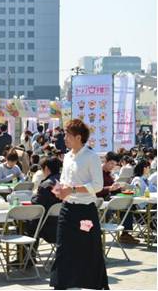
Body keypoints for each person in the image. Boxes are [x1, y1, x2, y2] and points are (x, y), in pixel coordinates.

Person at [50, 119, 108, 290]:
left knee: (87, 249)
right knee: (63, 249)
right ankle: (62, 285)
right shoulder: (67, 157)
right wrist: (59, 190)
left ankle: (87, 285)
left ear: (78, 137)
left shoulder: (91, 157)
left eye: (68, 134)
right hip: (67, 210)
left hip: (85, 213)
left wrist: (72, 189)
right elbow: (64, 181)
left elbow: (97, 186)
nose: (65, 138)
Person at [25, 157, 62, 263]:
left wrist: (34, 196)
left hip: (48, 228)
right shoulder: (64, 182)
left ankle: (26, 259)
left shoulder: (46, 185)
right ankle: (29, 258)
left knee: (25, 224)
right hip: (63, 226)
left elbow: (36, 204)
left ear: (46, 168)